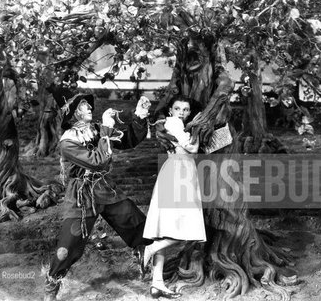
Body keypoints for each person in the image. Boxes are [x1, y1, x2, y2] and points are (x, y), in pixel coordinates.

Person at [44, 93, 153, 301]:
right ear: (74, 114)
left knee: (136, 222)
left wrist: (139, 115)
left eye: (88, 105)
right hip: (81, 196)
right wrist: (105, 129)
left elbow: (128, 140)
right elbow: (99, 162)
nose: (89, 108)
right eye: (84, 106)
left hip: (105, 188)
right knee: (68, 246)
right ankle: (52, 283)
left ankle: (149, 263)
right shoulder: (67, 143)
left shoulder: (94, 129)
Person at [142, 95, 206, 299]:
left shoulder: (176, 126)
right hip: (178, 173)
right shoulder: (173, 123)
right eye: (178, 108)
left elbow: (187, 148)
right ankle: (151, 248)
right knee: (188, 227)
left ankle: (157, 283)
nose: (182, 112)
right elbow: (194, 149)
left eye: (186, 109)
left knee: (166, 228)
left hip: (178, 171)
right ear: (171, 110)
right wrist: (193, 137)